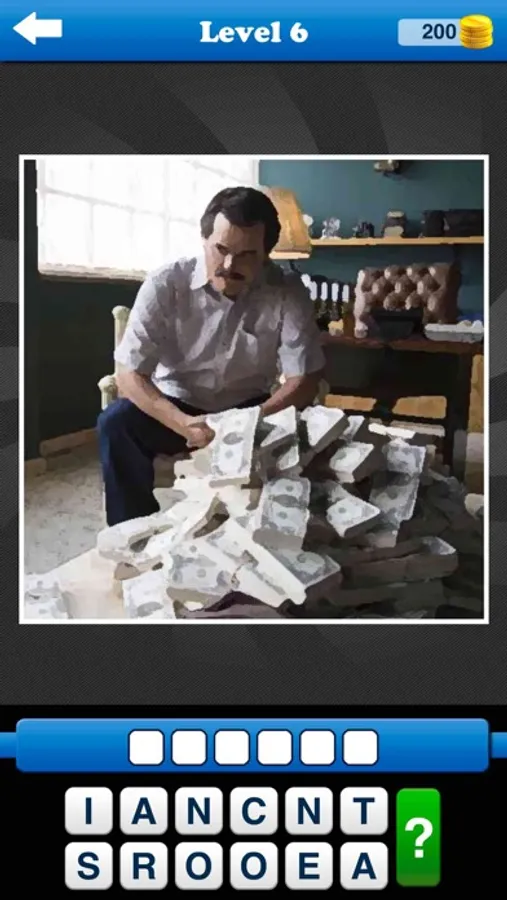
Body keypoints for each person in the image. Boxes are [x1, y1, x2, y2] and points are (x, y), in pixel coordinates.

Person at [97, 186, 325, 526]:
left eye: (247, 255)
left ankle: (271, 533)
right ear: (204, 239)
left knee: (307, 432)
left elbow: (304, 379)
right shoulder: (165, 282)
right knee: (116, 423)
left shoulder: (288, 290)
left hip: (254, 412)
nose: (230, 266)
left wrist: (248, 421)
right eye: (221, 249)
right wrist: (183, 423)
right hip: (175, 408)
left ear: (266, 254)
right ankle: (132, 534)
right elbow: (129, 374)